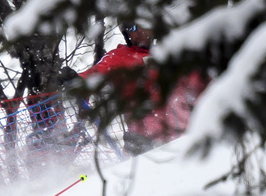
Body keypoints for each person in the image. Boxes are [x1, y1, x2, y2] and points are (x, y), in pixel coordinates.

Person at [80, 22, 205, 156]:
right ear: (126, 34)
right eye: (132, 28)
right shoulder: (121, 57)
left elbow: (201, 85)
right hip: (145, 146)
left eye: (142, 25)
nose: (139, 31)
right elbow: (93, 76)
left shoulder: (171, 53)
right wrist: (75, 79)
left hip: (187, 141)